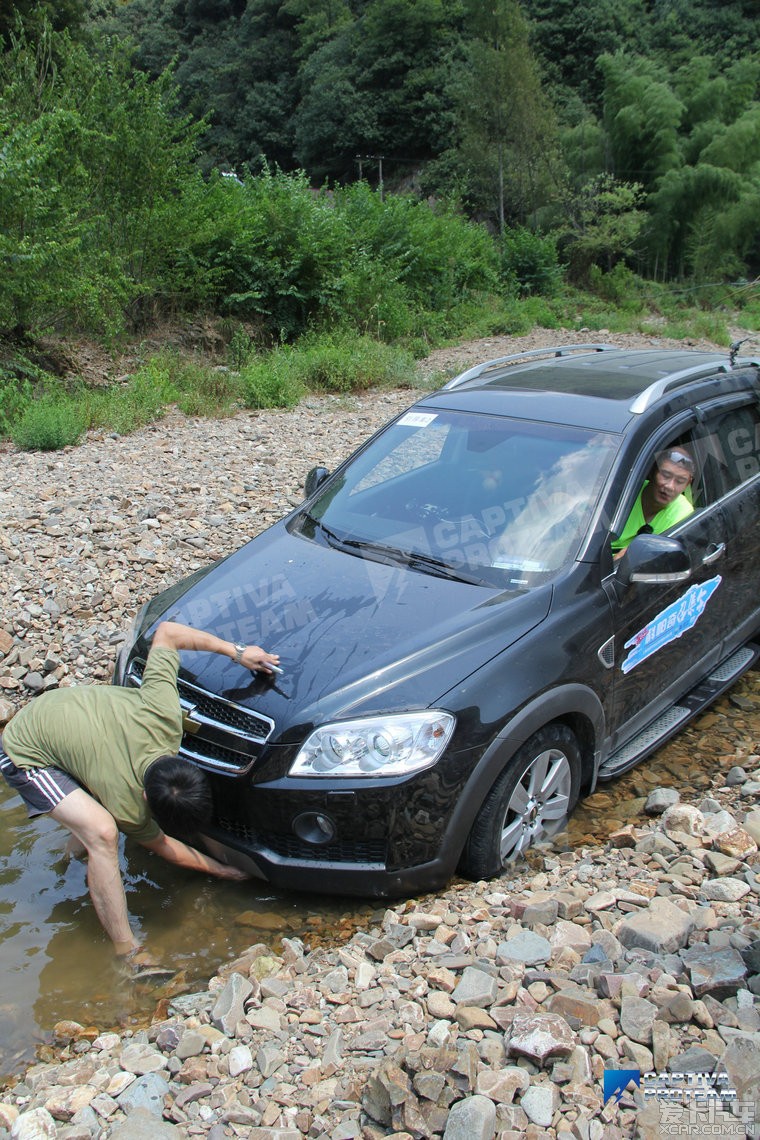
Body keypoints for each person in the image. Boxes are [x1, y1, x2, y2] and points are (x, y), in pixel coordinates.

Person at [0, 621, 279, 979]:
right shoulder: (126, 803)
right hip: (28, 749)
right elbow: (162, 846)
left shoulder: (164, 716)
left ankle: (67, 862)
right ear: (146, 798)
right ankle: (127, 952)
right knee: (102, 833)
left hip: (72, 718)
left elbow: (167, 633)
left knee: (91, 819)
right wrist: (223, 870)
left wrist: (238, 653)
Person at [611, 446, 695, 557]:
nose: (670, 486)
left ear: (687, 484)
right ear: (652, 471)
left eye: (680, 481)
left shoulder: (683, 513)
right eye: (665, 475)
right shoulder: (623, 493)